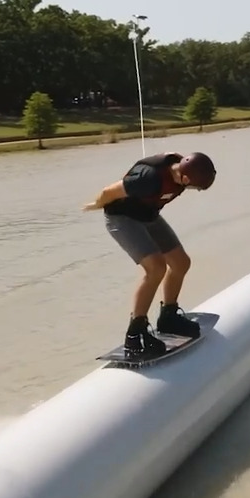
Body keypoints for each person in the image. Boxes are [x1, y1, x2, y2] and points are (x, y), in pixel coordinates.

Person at [82, 151, 217, 358]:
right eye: (194, 186)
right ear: (185, 178)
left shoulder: (180, 171)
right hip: (122, 218)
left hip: (148, 216)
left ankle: (169, 317)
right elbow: (108, 192)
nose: (193, 190)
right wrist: (96, 204)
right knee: (156, 268)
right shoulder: (148, 178)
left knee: (181, 263)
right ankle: (135, 333)